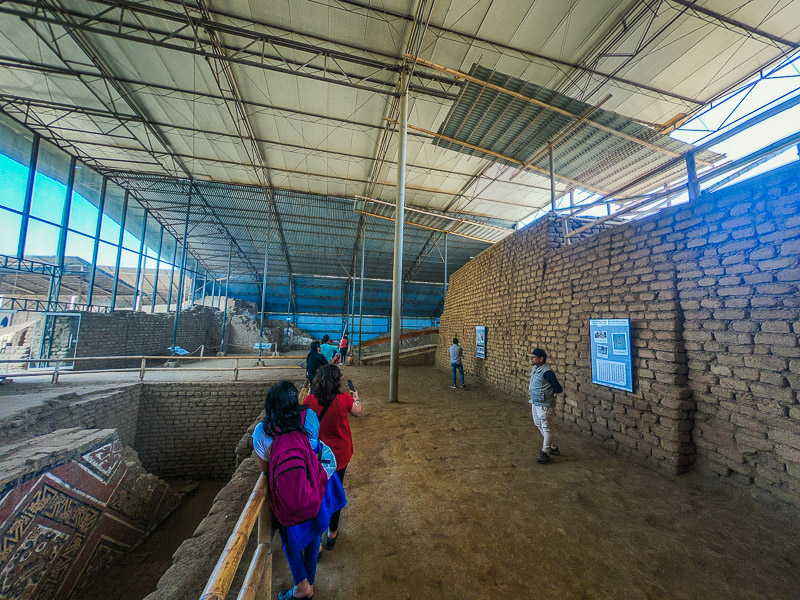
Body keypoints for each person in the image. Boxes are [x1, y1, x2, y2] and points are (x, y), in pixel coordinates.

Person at [252, 381, 347, 599]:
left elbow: (265, 468)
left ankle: (302, 586)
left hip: (285, 496)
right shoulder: (308, 418)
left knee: (290, 538)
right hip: (312, 487)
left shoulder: (262, 431)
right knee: (314, 532)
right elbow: (314, 446)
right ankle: (310, 582)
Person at [303, 364, 362, 551]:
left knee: (316, 495)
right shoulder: (344, 399)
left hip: (317, 456)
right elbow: (358, 412)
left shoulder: (309, 400)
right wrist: (357, 398)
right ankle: (332, 532)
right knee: (336, 491)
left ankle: (317, 543)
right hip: (339, 454)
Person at [528, 348, 564, 464]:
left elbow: (558, 389)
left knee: (545, 426)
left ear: (541, 359)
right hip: (535, 401)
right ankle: (552, 446)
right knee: (537, 423)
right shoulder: (535, 369)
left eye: (534, 357)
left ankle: (546, 451)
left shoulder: (548, 372)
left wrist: (547, 394)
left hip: (544, 403)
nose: (531, 359)